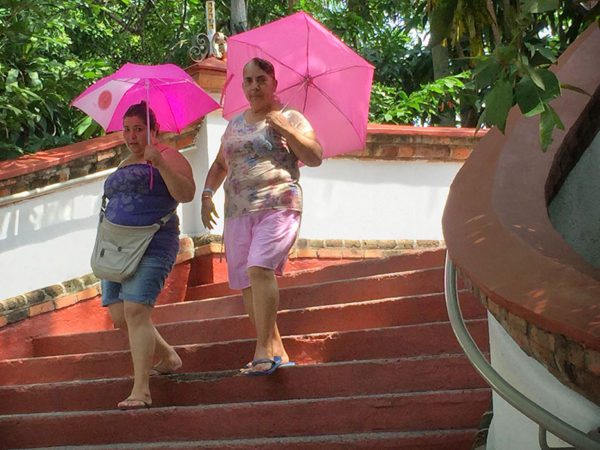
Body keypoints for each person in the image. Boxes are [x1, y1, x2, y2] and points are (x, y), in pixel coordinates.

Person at [201, 57, 323, 376]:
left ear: (274, 84)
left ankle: (262, 349)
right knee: (247, 283)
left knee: (259, 268)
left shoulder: (290, 117)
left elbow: (315, 156)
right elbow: (220, 165)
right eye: (248, 81)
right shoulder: (234, 125)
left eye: (261, 80)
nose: (254, 86)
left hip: (278, 204)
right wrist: (206, 194)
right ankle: (277, 350)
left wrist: (286, 129)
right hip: (238, 211)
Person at [100, 101, 196, 409]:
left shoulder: (169, 156)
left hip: (153, 242)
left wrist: (161, 165)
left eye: (139, 129)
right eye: (127, 129)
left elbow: (186, 194)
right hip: (116, 245)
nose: (131, 136)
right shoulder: (125, 162)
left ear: (154, 130)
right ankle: (168, 355)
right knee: (119, 315)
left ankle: (141, 390)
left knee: (136, 312)